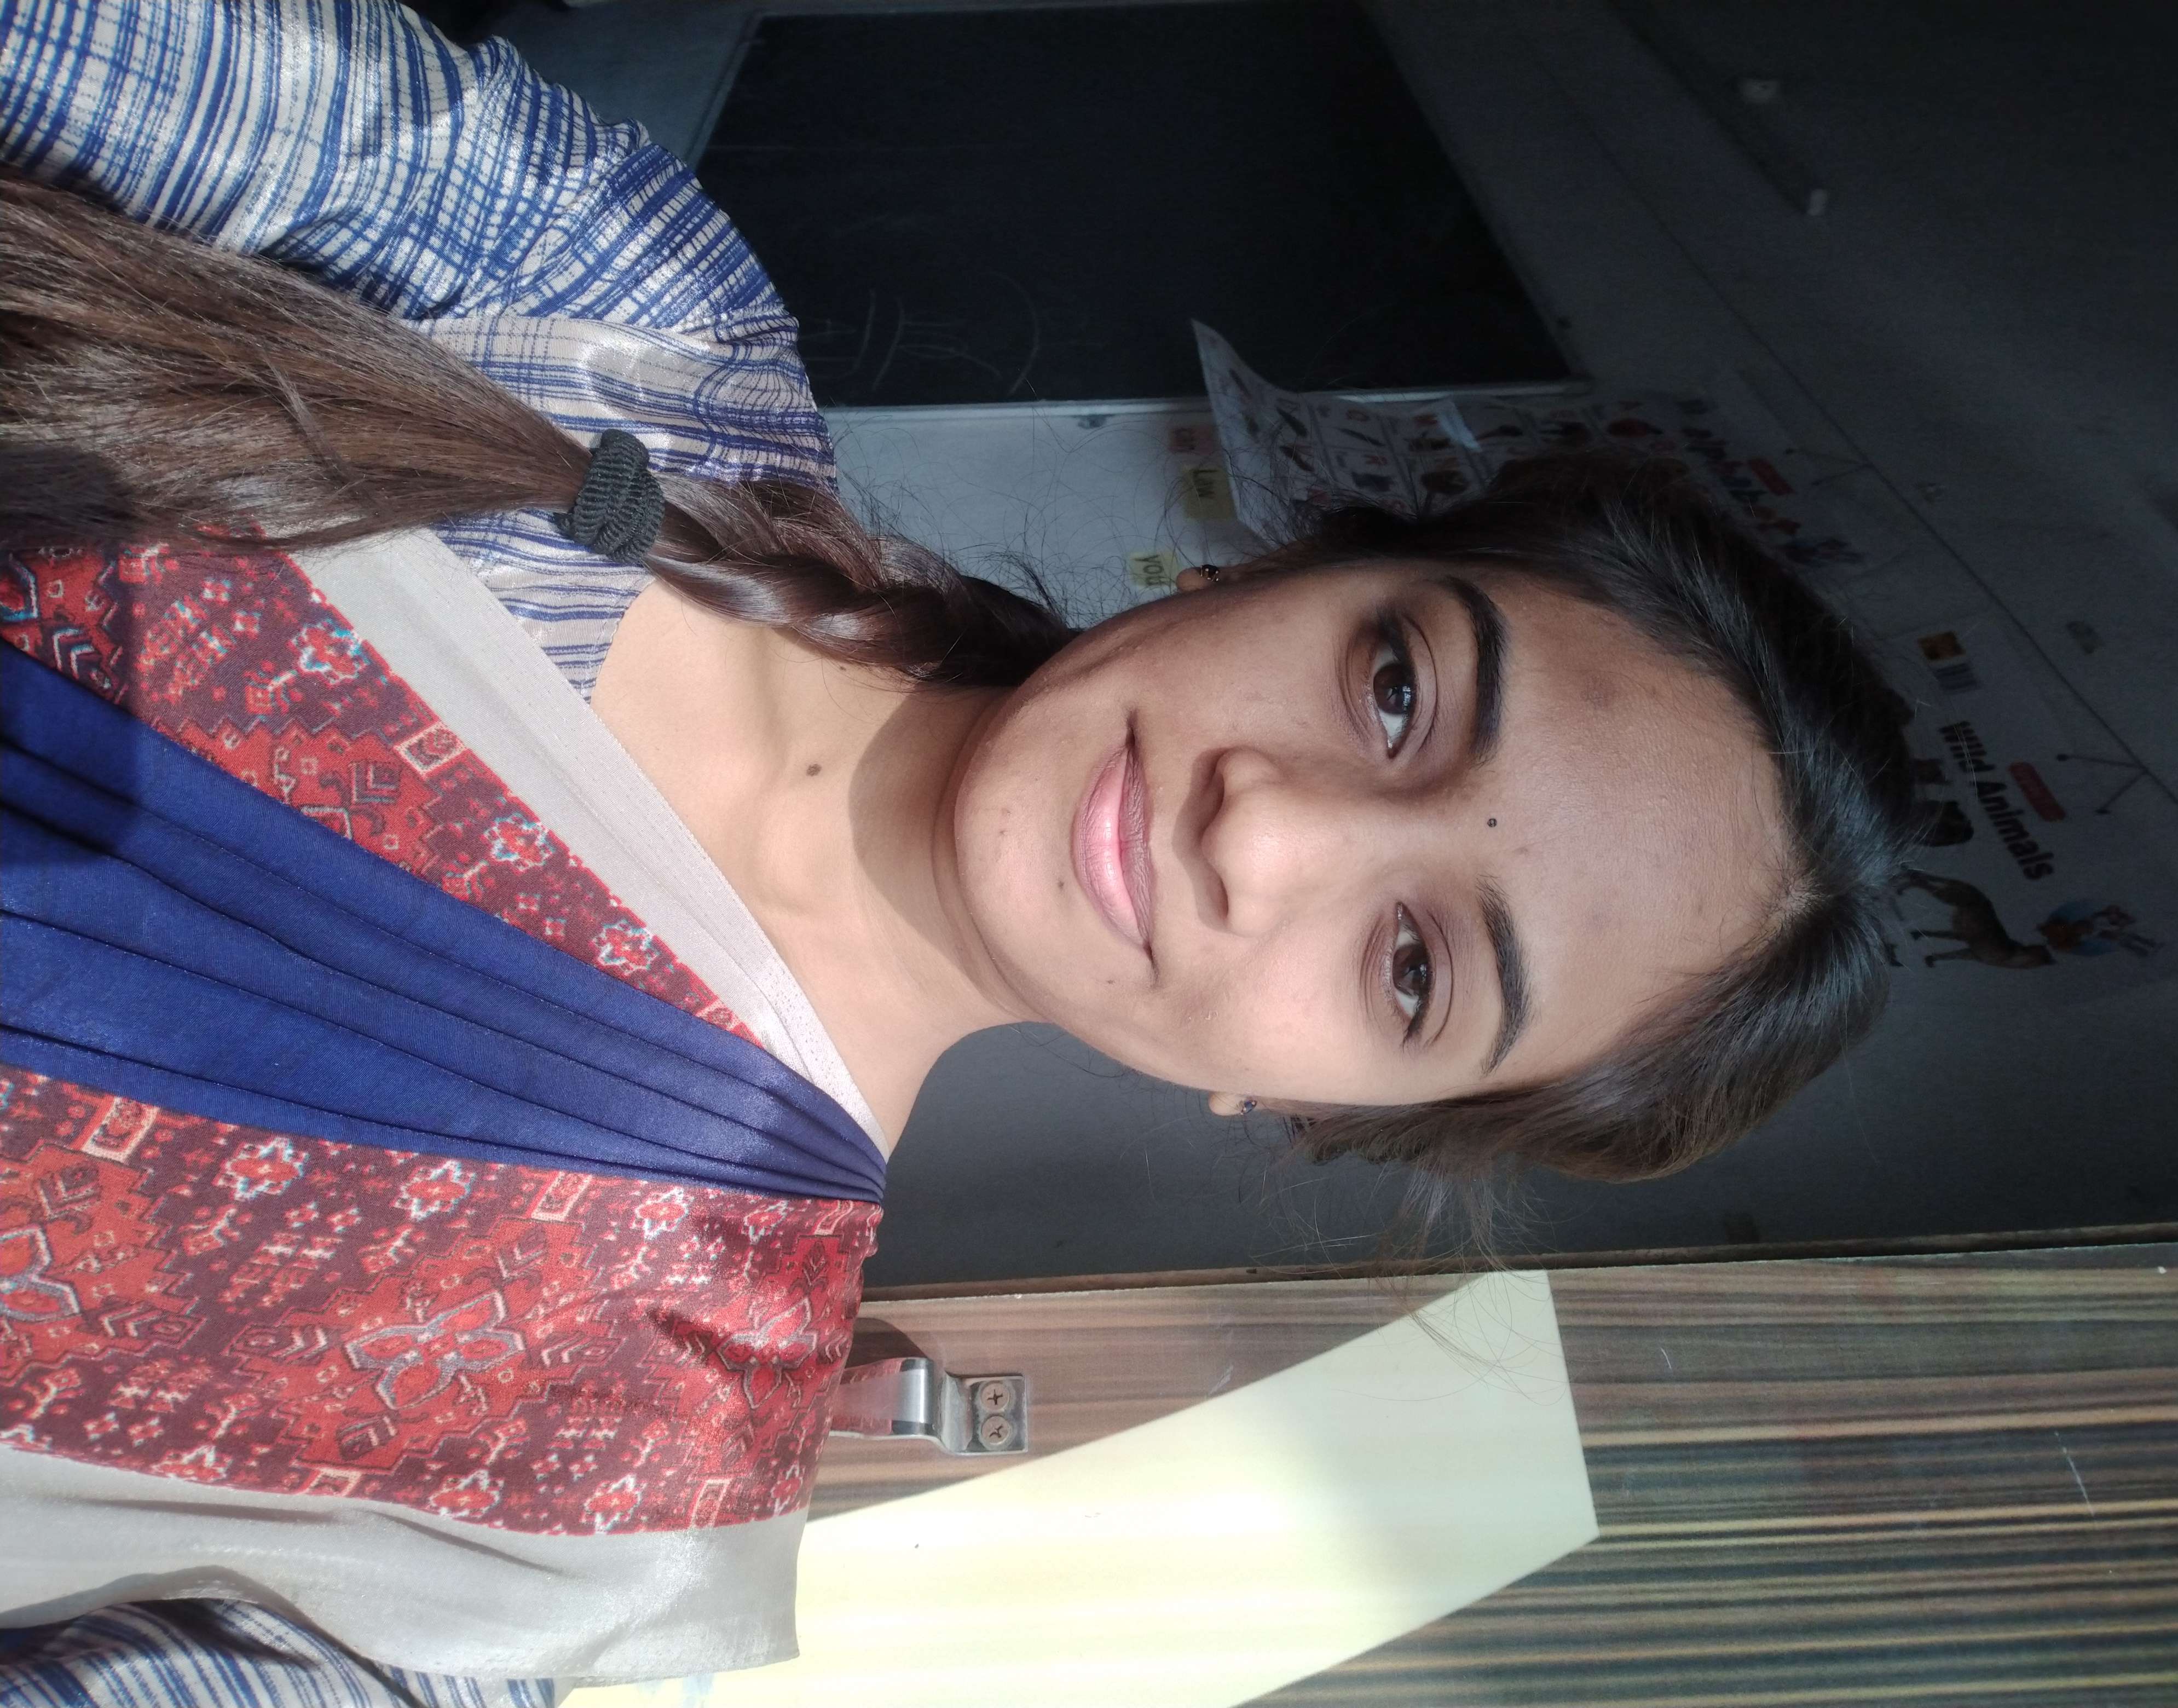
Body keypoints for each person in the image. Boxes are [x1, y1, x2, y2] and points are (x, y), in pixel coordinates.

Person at [0, 0, 1917, 1693]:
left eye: (1413, 966)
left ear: (1316, 1110)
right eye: (1399, 687)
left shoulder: (591, 1521)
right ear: (1289, 563)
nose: (1274, 827)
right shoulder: (600, 319)